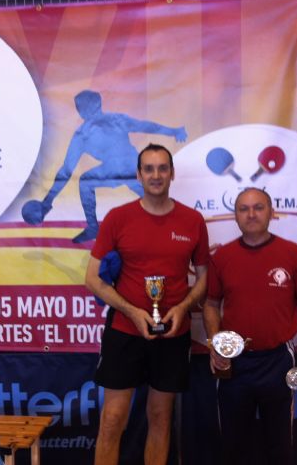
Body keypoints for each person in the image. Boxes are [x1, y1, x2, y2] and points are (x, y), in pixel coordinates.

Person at [85, 143, 209, 465]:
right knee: (112, 420)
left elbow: (204, 279)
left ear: (172, 173)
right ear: (139, 175)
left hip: (173, 334)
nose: (156, 175)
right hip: (125, 330)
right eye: (149, 169)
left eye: (162, 168)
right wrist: (132, 311)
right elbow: (93, 279)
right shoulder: (118, 218)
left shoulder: (193, 220)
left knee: (160, 417)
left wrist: (182, 308)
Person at [202, 187, 297, 464]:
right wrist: (216, 345)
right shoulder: (222, 257)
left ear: (271, 212)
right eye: (243, 209)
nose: (251, 214)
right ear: (235, 216)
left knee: (280, 447)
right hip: (235, 365)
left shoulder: (292, 254)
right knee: (233, 447)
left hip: (278, 362)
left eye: (258, 207)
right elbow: (210, 305)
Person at [23, 90, 187, 243]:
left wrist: (174, 131)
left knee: (158, 203)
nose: (83, 111)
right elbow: (66, 170)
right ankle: (93, 228)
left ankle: (172, 227)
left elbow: (145, 126)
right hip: (116, 170)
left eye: (83, 107)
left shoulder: (103, 126)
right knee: (86, 182)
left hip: (133, 168)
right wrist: (47, 202)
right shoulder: (85, 134)